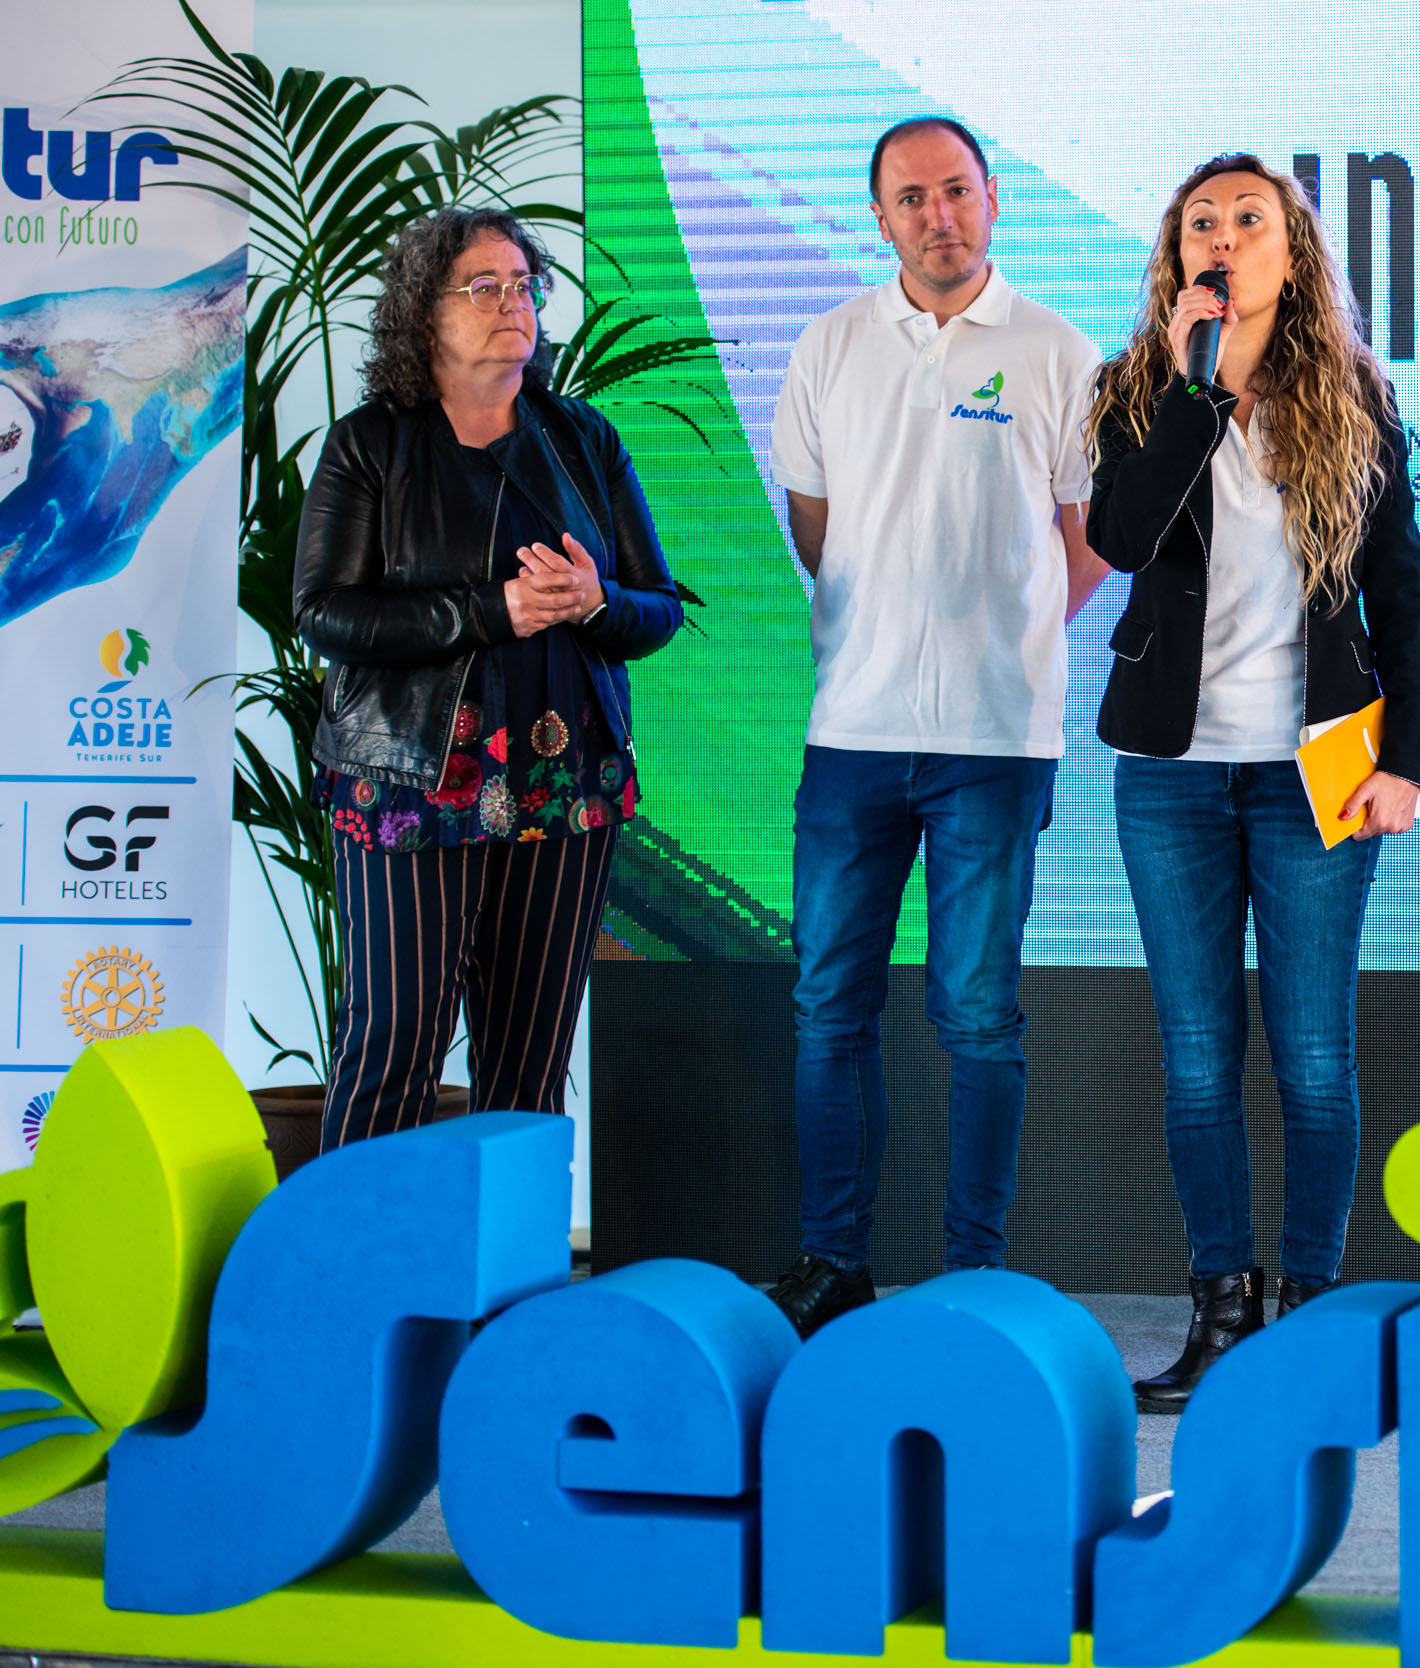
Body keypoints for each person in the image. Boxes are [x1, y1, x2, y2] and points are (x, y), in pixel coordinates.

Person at [1088, 153, 1420, 1411]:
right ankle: (1220, 1315)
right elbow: (1120, 538)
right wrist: (1195, 390)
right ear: (1177, 255)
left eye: (1250, 219)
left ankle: (1311, 1316)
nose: (1225, 237)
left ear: (1293, 256)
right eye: (1203, 221)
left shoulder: (1351, 396)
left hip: (1317, 772)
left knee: (1312, 1059)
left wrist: (1410, 757)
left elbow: (1401, 593)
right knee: (1197, 1061)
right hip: (1171, 777)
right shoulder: (1137, 388)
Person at [764, 118, 1105, 1336]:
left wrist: (999, 634)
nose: (936, 216)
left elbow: (1086, 543)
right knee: (828, 1006)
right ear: (879, 217)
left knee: (977, 1013)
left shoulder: (1057, 351)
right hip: (851, 730)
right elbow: (815, 527)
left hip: (994, 742)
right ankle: (831, 1262)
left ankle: (973, 1270)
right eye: (910, 198)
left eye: (955, 190)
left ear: (993, 198)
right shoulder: (829, 344)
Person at [296, 206, 684, 1150]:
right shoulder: (369, 445)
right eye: (484, 286)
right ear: (424, 312)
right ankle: (364, 1249)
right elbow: (323, 613)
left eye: (524, 285)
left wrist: (596, 600)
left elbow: (659, 607)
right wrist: (490, 610)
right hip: (410, 784)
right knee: (394, 1052)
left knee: (529, 1066)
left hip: (565, 784)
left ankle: (508, 1252)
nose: (513, 303)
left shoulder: (584, 439)